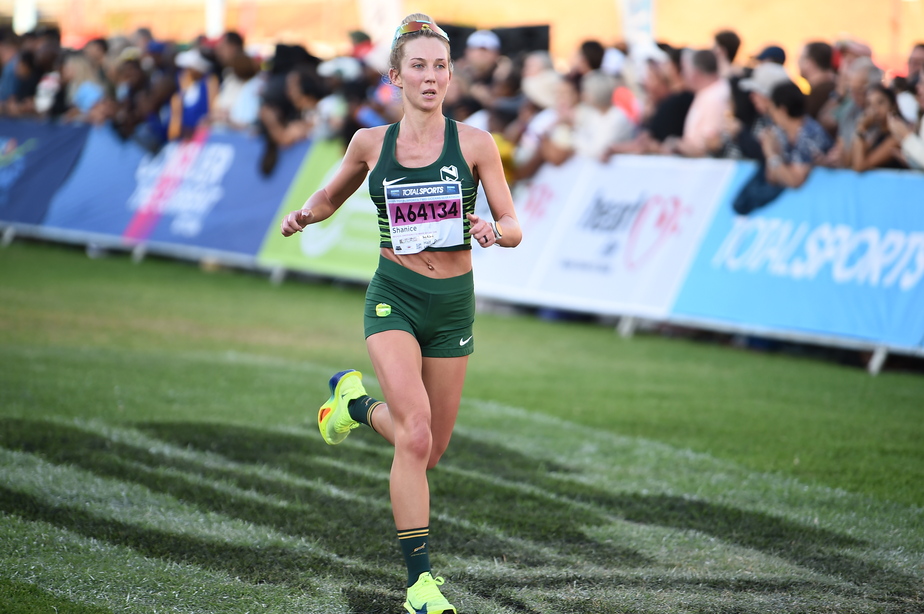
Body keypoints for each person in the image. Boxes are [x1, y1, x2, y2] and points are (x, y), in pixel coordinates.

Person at [278, 14, 521, 614]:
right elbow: (330, 195)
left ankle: (354, 406)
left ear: (451, 76)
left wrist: (494, 230)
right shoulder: (370, 143)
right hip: (395, 297)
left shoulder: (476, 144)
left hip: (454, 306)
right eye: (418, 66)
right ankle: (420, 583)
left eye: (440, 66)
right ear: (395, 76)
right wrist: (304, 215)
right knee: (414, 434)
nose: (430, 76)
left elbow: (513, 225)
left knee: (429, 449)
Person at [848, 84, 907, 171]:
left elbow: (860, 166)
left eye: (880, 102)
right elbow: (849, 162)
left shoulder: (897, 136)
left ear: (893, 104)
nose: (875, 109)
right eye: (869, 104)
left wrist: (861, 128)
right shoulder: (875, 134)